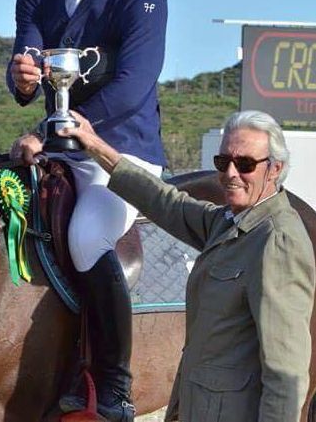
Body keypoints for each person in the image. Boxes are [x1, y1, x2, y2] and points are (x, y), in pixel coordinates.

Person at [21, 109, 314, 422]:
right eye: (222, 161)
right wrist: (95, 146)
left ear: (275, 169)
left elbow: (286, 376)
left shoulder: (277, 242)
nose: (230, 173)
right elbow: (165, 201)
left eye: (245, 164)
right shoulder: (228, 222)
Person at [7, 0, 168, 420]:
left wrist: (54, 131)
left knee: (84, 236)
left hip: (119, 152)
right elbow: (27, 59)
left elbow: (132, 86)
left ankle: (114, 383)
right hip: (57, 145)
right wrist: (23, 73)